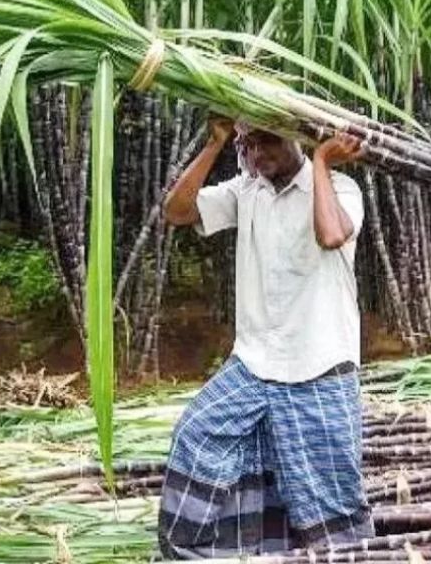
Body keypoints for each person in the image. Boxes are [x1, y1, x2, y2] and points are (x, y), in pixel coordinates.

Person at [156, 117, 373, 558]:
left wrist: (322, 161)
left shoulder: (340, 189)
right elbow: (176, 212)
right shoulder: (246, 190)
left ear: (298, 137)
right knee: (196, 436)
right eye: (248, 145)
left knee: (328, 497)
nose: (257, 155)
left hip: (319, 366)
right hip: (254, 364)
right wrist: (216, 144)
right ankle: (207, 552)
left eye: (268, 142)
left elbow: (332, 235)